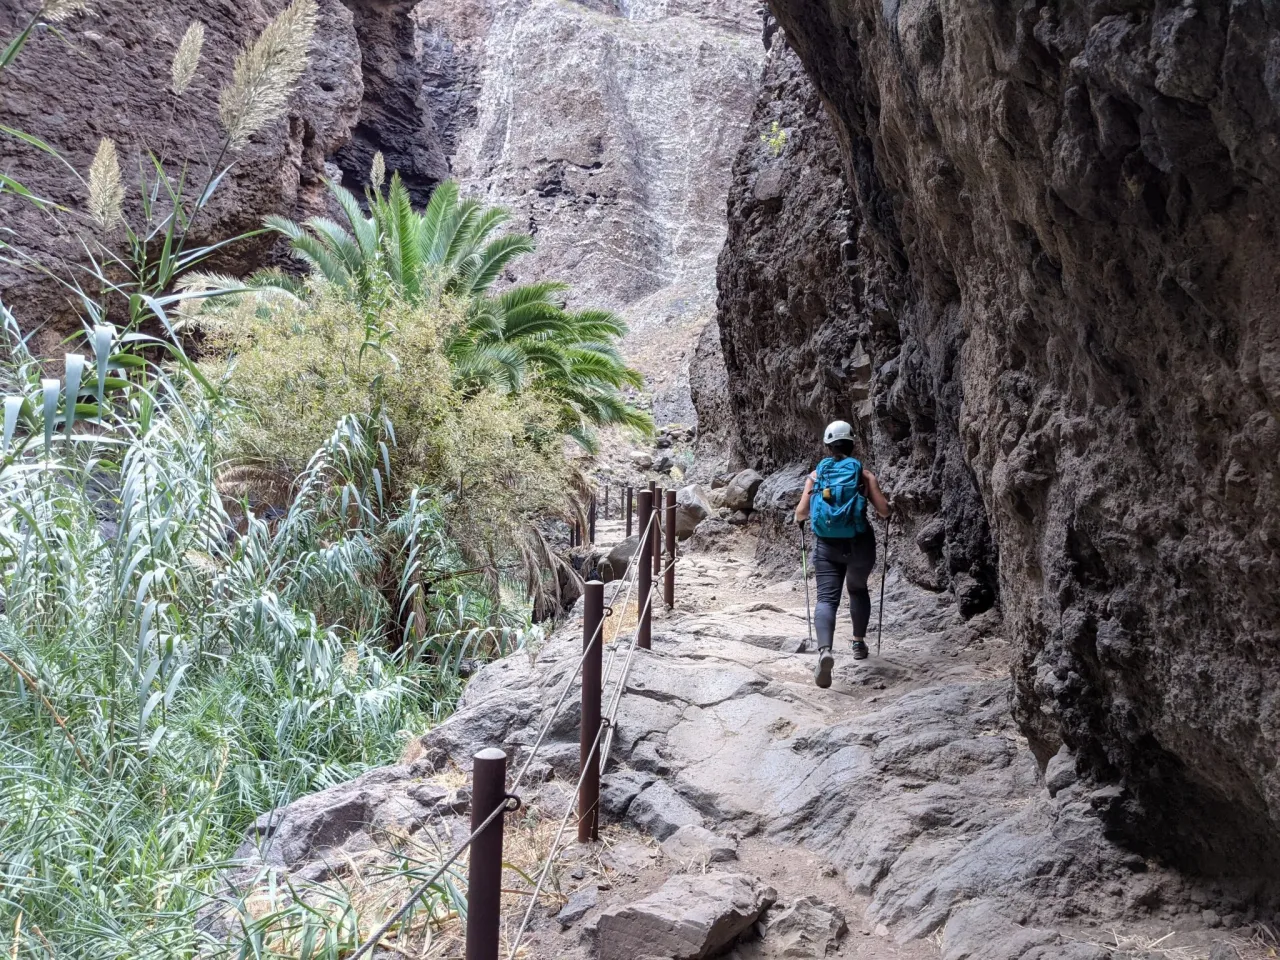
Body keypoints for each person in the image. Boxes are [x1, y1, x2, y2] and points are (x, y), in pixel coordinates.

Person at [794, 419, 890, 688]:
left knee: (826, 599)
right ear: (852, 443)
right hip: (859, 544)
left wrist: (801, 516)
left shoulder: (816, 476)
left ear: (827, 446)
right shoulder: (863, 475)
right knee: (858, 589)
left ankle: (825, 651)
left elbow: (802, 513)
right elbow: (884, 510)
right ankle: (858, 644)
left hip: (827, 546)